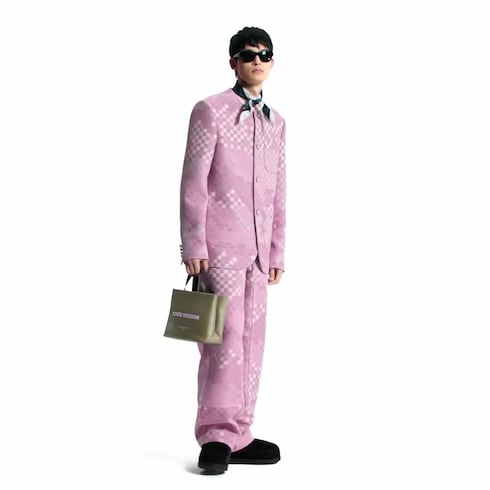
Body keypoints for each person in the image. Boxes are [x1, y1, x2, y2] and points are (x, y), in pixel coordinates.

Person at [179, 26, 287, 475]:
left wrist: (277, 250)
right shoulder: (211, 111)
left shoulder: (276, 123)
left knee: (252, 342)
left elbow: (279, 189)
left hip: (258, 254)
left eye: (264, 54)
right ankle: (216, 435)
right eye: (247, 55)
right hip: (219, 249)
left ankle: (241, 432)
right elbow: (193, 182)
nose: (256, 61)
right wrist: (193, 243)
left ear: (272, 62)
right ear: (233, 62)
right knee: (222, 341)